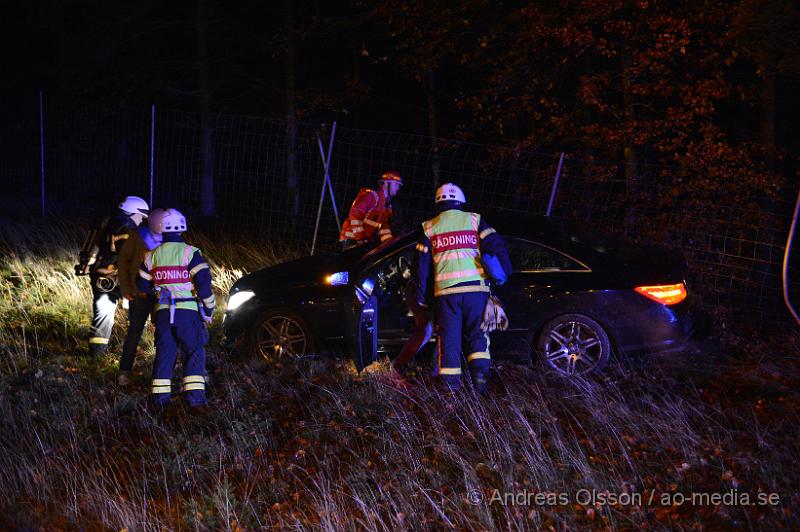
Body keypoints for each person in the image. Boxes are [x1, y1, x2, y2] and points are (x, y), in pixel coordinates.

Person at [413, 183, 511, 394]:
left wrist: (422, 297)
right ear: (460, 201)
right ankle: (481, 386)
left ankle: (450, 392)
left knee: (449, 340)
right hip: (477, 291)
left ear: (438, 203)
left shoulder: (430, 227)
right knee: (478, 336)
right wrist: (503, 275)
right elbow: (496, 247)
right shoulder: (475, 220)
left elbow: (421, 268)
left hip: (447, 295)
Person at [136, 208, 215, 410]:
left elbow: (143, 286)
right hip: (187, 313)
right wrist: (209, 310)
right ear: (182, 227)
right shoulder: (190, 253)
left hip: (162, 314)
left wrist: (159, 291)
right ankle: (196, 401)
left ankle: (159, 403)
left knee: (165, 356)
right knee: (194, 352)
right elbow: (204, 286)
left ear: (162, 228)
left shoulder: (151, 256)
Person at [78, 195, 150, 357]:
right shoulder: (128, 231)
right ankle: (138, 350)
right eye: (141, 216)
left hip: (101, 280)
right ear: (132, 213)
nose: (141, 221)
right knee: (136, 313)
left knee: (102, 316)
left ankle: (97, 357)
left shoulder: (105, 225)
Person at [116, 208, 166, 386]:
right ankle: (124, 372)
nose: (159, 224)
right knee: (134, 332)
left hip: (162, 296)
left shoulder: (170, 240)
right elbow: (123, 262)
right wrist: (126, 288)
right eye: (156, 220)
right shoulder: (137, 237)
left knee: (163, 333)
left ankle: (160, 374)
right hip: (139, 293)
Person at [339, 170, 403, 250]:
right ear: (387, 183)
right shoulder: (372, 195)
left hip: (363, 242)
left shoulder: (387, 205)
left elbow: (384, 227)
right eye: (396, 184)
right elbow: (355, 214)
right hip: (352, 239)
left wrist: (389, 244)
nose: (398, 188)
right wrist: (361, 239)